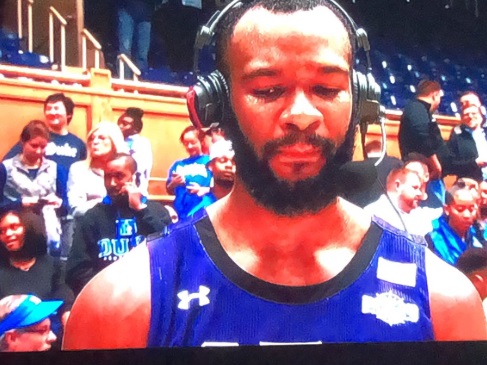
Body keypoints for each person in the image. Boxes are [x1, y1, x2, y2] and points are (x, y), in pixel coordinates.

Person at [63, 0, 487, 349]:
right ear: (215, 106)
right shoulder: (118, 306)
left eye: (326, 88)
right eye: (267, 90)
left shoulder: (446, 303)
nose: (302, 115)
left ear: (360, 102)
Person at [66, 153, 172, 296]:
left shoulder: (156, 212)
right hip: (104, 298)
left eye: (119, 176)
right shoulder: (93, 216)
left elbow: (171, 250)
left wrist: (141, 210)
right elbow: (77, 268)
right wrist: (103, 292)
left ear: (135, 178)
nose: (112, 183)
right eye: (107, 177)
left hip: (149, 296)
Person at [0, 210, 74, 345]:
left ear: (29, 227)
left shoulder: (53, 265)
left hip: (49, 340)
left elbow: (64, 298)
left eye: (14, 227)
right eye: (2, 231)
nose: (8, 234)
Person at [0, 120, 68, 257]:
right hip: (16, 234)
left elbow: (67, 206)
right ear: (22, 142)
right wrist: (20, 203)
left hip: (49, 233)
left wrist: (59, 203)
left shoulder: (56, 168)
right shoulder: (5, 168)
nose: (39, 151)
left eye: (43, 147)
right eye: (34, 146)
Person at [3, 93, 87, 170]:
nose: (52, 112)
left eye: (56, 108)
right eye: (49, 108)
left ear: (69, 114)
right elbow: (6, 165)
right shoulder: (34, 137)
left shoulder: (79, 144)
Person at [398, 80, 448, 204]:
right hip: (423, 173)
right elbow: (422, 137)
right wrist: (435, 164)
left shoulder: (422, 110)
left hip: (431, 174)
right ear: (435, 95)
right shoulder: (416, 108)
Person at [67, 122, 128, 219]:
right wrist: (106, 204)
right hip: (87, 225)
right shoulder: (78, 169)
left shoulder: (127, 167)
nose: (94, 142)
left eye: (102, 138)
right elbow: (76, 209)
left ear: (114, 141)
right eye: (91, 138)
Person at [364, 167, 438, 236]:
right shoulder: (374, 214)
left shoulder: (417, 216)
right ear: (398, 186)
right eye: (415, 188)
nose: (419, 193)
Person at [426, 183, 485, 265]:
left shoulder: (479, 235)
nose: (467, 215)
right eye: (460, 209)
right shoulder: (433, 240)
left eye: (471, 209)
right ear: (447, 209)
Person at [166, 126, 212, 219]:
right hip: (180, 214)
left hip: (202, 212)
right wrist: (173, 183)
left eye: (193, 142)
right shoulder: (178, 164)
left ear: (201, 141)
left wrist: (202, 189)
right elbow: (169, 190)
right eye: (186, 143)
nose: (189, 146)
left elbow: (221, 189)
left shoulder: (210, 162)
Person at [188, 139, 236, 216]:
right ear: (210, 166)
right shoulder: (198, 216)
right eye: (222, 160)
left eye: (234, 161)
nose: (229, 165)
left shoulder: (249, 208)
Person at [117, 107, 153, 196]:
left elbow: (139, 168)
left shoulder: (142, 143)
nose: (120, 126)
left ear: (136, 128)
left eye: (124, 124)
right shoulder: (116, 141)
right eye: (119, 123)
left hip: (136, 191)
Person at [448, 104, 487, 181]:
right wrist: (475, 163)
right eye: (466, 114)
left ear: (481, 116)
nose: (470, 116)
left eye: (474, 113)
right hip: (470, 182)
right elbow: (450, 164)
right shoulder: (457, 137)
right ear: (462, 118)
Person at [117, 0, 156, 75]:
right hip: (127, 10)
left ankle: (141, 79)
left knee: (142, 54)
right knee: (125, 51)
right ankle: (125, 81)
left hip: (145, 15)